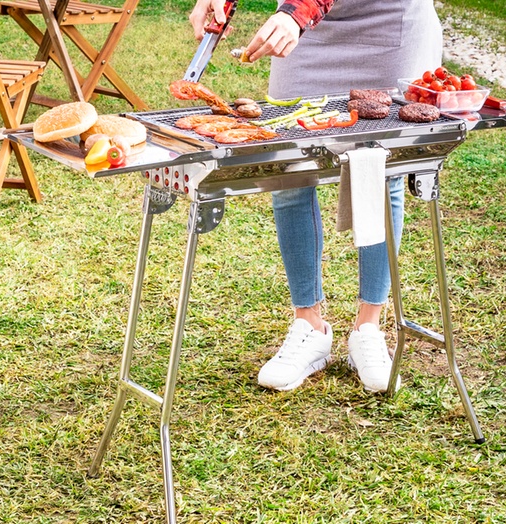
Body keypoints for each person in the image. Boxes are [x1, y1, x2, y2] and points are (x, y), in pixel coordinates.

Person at [188, 0, 443, 393]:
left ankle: (368, 328)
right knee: (289, 171)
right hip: (306, 29)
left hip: (389, 25)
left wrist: (297, 13)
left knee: (383, 170)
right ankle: (309, 327)